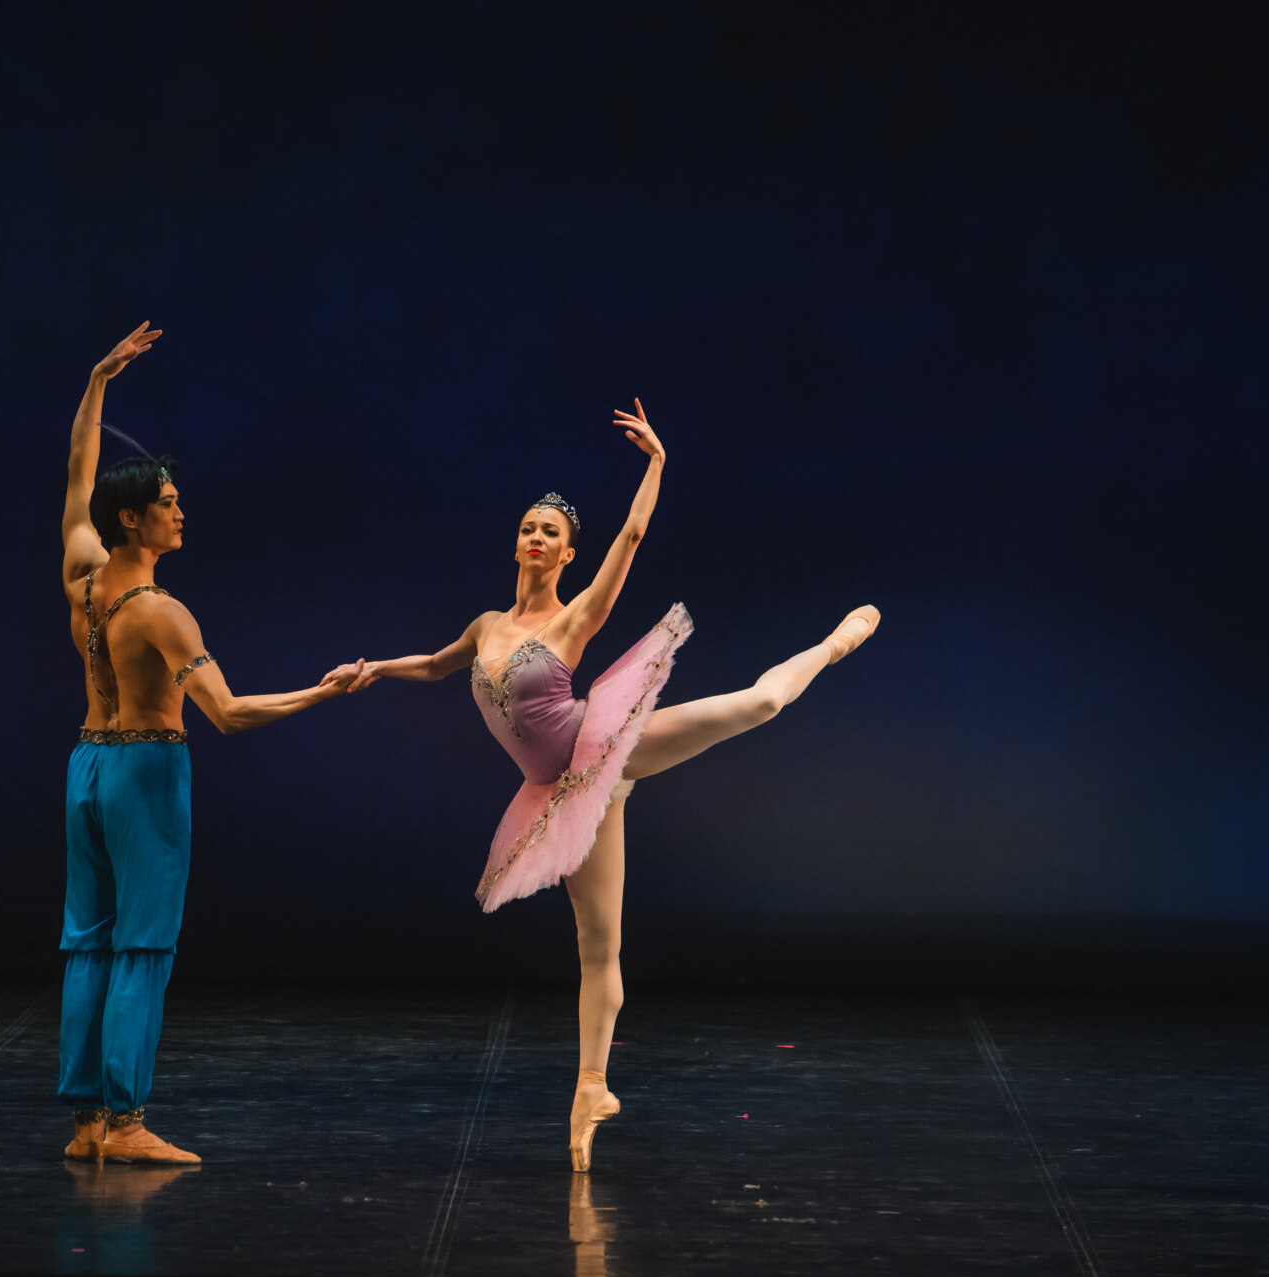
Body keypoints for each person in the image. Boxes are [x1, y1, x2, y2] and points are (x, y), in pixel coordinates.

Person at [345, 399, 878, 1171]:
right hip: (559, 793)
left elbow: (630, 536)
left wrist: (657, 463)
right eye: (528, 527)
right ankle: (591, 1089)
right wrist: (374, 670)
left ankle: (832, 645)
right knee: (598, 944)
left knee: (759, 704)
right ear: (516, 542)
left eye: (550, 533)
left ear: (566, 555)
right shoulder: (487, 626)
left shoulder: (574, 619)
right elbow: (434, 665)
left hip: (600, 748)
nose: (536, 537)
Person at [58, 323, 363, 1165]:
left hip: (87, 764)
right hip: (146, 770)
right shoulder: (163, 613)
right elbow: (226, 714)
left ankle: (85, 1123)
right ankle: (125, 1123)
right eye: (167, 503)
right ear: (133, 519)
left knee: (88, 942)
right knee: (142, 943)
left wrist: (98, 380)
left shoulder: (82, 577)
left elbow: (78, 469)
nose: (180, 511)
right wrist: (321, 692)